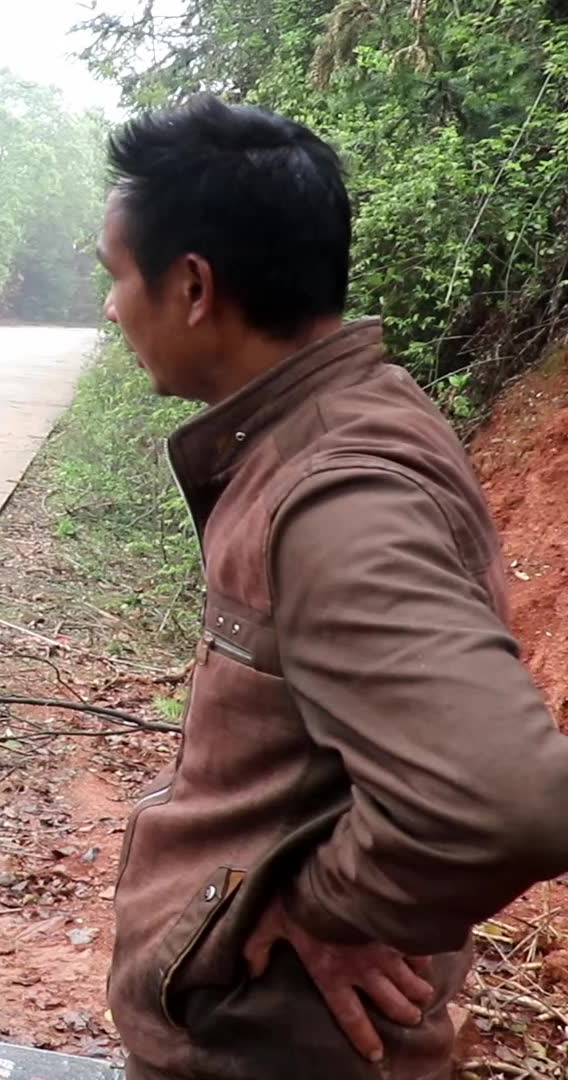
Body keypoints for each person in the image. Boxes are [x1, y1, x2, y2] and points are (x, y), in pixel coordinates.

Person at [97, 95, 568, 1080]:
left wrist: (324, 904)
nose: (110, 307)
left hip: (275, 1047)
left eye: (115, 278)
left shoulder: (335, 493)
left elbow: (505, 802)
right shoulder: (337, 423)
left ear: (191, 286)